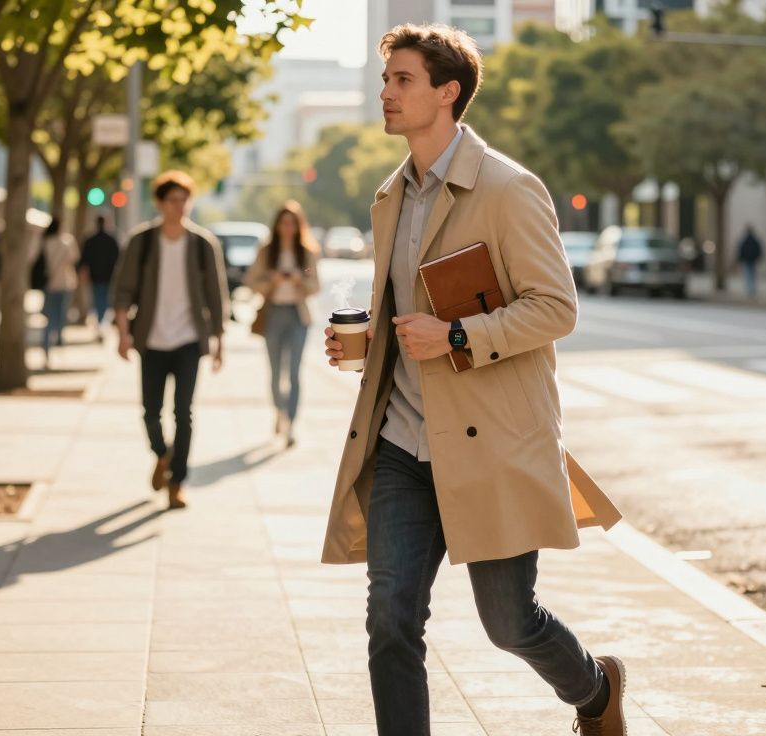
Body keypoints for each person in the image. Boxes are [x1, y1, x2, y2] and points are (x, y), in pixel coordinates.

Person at [320, 25, 625, 736]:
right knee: (390, 618)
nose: (386, 92)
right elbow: (412, 304)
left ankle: (596, 690)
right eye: (386, 79)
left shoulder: (510, 188)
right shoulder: (392, 193)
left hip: (489, 443)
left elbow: (556, 309)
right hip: (402, 441)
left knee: (510, 623)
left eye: (402, 79)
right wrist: (370, 339)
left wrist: (456, 336)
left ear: (447, 92)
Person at [112, 170, 229, 510]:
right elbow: (123, 291)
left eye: (184, 200)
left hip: (189, 341)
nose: (179, 207)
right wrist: (122, 334)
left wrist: (219, 342)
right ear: (160, 203)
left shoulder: (202, 243)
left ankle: (177, 483)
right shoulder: (143, 241)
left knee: (184, 413)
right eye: (172, 200)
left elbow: (216, 296)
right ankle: (162, 455)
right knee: (150, 412)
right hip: (150, 339)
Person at [243, 201, 321, 447]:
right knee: (276, 372)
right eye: (283, 223)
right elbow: (251, 281)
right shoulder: (266, 251)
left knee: (295, 372)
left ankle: (290, 423)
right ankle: (279, 411)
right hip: (273, 314)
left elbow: (316, 284)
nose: (287, 228)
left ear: (299, 226)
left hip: (298, 316)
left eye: (292, 223)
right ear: (277, 225)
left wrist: (299, 280)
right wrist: (272, 281)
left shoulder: (306, 252)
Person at [38, 218, 79, 367]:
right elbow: (73, 260)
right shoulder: (68, 241)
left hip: (49, 284)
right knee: (61, 317)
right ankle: (58, 345)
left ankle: (47, 349)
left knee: (49, 318)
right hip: (65, 284)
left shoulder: (45, 242)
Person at [79, 215, 121, 340]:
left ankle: (100, 322)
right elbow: (118, 260)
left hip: (95, 277)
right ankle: (102, 323)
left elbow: (83, 260)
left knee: (98, 300)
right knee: (105, 301)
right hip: (108, 277)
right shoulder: (112, 240)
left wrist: (83, 274)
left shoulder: (90, 240)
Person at [737, 225, 763, 298]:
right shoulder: (755, 240)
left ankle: (749, 289)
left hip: (747, 260)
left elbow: (741, 250)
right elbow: (759, 249)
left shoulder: (744, 240)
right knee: (752, 275)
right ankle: (752, 289)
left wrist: (740, 258)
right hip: (752, 260)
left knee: (748, 275)